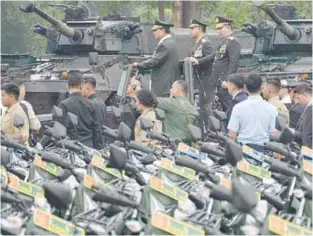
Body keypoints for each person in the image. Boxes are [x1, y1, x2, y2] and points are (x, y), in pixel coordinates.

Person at [189, 16, 241, 111]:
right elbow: (213, 56)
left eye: (221, 28)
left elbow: (233, 64)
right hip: (217, 81)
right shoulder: (221, 42)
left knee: (230, 108)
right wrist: (198, 61)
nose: (218, 31)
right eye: (217, 29)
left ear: (228, 27)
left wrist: (228, 81)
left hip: (225, 82)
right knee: (221, 109)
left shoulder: (233, 42)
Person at [228, 73, 278, 148]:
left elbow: (232, 135)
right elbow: (275, 134)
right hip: (264, 151)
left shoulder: (238, 108)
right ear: (262, 87)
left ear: (245, 88)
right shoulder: (272, 109)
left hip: (243, 149)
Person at [133, 19, 180, 97]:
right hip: (165, 85)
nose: (153, 32)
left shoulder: (165, 44)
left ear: (162, 30)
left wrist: (138, 64)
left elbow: (155, 61)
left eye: (155, 30)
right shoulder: (168, 42)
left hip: (164, 86)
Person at [185, 19, 215, 138]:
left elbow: (212, 56)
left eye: (192, 29)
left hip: (206, 79)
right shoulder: (197, 43)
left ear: (199, 29)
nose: (190, 31)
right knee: (202, 106)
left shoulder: (206, 42)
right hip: (199, 78)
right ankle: (204, 132)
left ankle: (211, 132)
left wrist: (198, 61)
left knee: (206, 107)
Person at [58, 73, 102, 149]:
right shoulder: (92, 105)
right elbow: (97, 130)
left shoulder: (63, 105)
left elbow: (59, 132)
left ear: (67, 86)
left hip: (71, 148)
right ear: (82, 86)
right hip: (89, 147)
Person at [81, 76, 106, 149]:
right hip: (101, 142)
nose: (81, 91)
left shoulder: (89, 104)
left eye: (82, 88)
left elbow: (95, 127)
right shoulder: (101, 102)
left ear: (87, 88)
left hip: (94, 144)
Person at [293, 83, 312, 148]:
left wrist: (306, 156)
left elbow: (307, 136)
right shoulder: (309, 108)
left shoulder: (311, 109)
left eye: (298, 98)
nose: (298, 101)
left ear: (305, 95)